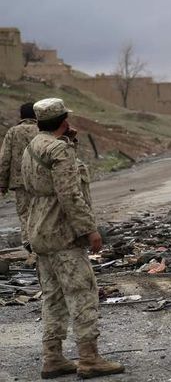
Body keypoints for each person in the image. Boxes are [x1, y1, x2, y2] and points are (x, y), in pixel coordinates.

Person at [21, 98, 124, 379]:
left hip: (39, 230)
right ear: (64, 121)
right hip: (62, 232)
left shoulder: (31, 147)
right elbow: (70, 194)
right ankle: (89, 359)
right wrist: (89, 229)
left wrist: (70, 145)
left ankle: (52, 358)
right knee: (81, 293)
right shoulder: (58, 150)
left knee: (53, 297)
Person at [0, 102, 37, 259]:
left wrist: (2, 183)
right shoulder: (43, 130)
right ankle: (43, 245)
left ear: (21, 115)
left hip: (20, 181)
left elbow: (4, 159)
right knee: (43, 212)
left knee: (25, 214)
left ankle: (30, 245)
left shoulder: (13, 132)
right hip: (41, 181)